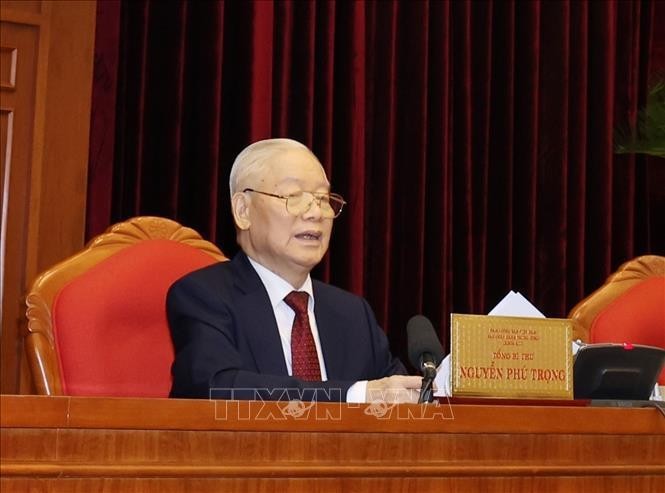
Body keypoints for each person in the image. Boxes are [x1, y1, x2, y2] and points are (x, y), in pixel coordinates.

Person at [167, 138, 422, 402]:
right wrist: (354, 395)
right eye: (293, 197)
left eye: (324, 199)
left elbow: (395, 394)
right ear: (243, 210)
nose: (316, 213)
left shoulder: (352, 313)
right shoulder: (203, 296)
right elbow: (216, 386)